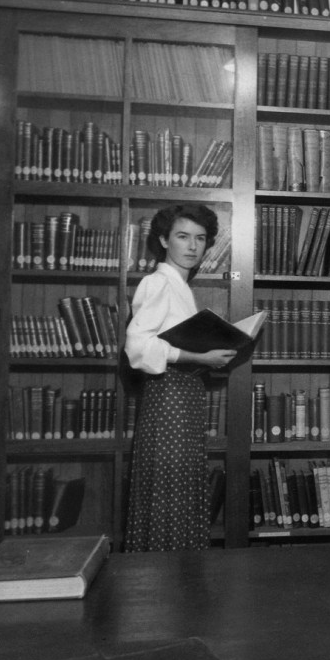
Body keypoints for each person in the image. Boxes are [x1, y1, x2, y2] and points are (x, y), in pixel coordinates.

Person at [124, 204, 236, 552]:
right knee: (168, 487)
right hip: (168, 398)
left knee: (182, 487)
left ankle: (180, 580)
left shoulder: (181, 287)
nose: (192, 246)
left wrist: (207, 358)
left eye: (200, 239)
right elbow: (137, 347)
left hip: (184, 396)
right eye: (182, 237)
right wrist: (198, 357)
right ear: (163, 240)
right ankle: (162, 581)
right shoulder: (157, 283)